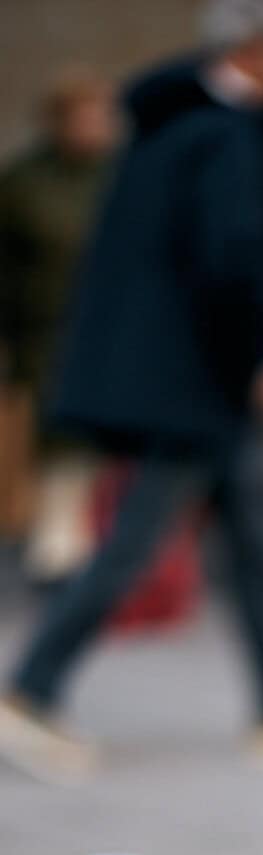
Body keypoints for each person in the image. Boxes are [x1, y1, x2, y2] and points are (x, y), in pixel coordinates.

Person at [0, 0, 263, 784]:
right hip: (192, 386)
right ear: (258, 50)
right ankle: (28, 692)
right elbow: (229, 267)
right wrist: (260, 358)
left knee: (255, 543)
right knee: (131, 544)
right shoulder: (226, 136)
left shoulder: (166, 126)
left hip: (172, 379)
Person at [0, 69, 118, 586]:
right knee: (50, 441)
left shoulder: (120, 177)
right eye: (83, 118)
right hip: (39, 331)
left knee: (96, 447)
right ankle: (56, 554)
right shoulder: (23, 183)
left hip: (109, 334)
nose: (93, 129)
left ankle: (76, 552)